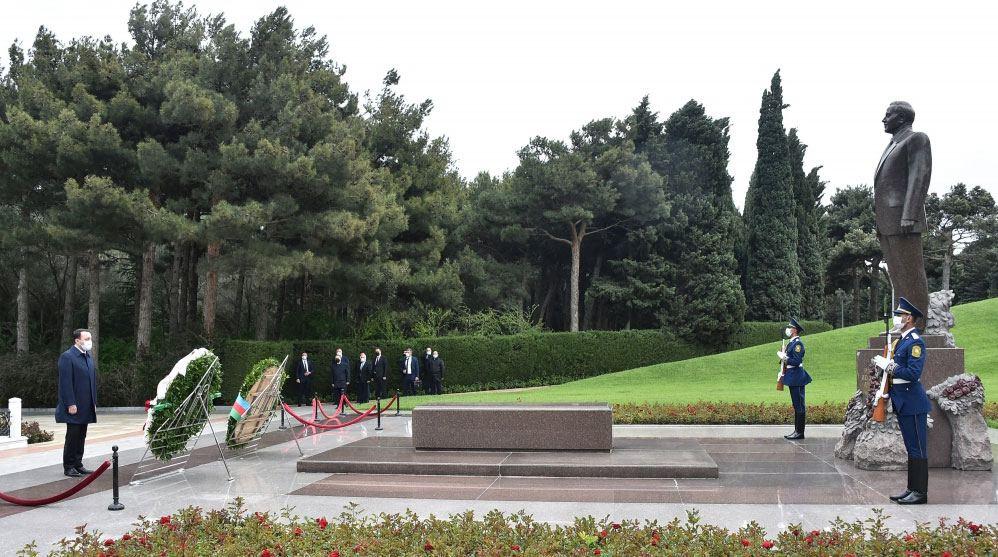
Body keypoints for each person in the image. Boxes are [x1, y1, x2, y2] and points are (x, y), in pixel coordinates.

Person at [874, 101, 932, 329]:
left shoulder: (916, 139)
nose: (884, 119)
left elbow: (919, 177)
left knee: (910, 272)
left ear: (902, 118)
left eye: (888, 115)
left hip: (903, 219)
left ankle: (916, 324)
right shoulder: (893, 143)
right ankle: (904, 321)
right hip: (887, 220)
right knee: (897, 275)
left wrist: (910, 214)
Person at [878, 296, 931, 505]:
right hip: (902, 400)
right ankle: (912, 488)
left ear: (909, 318)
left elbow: (913, 373)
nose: (897, 318)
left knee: (918, 448)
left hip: (913, 401)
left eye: (900, 315)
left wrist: (889, 366)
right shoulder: (902, 340)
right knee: (911, 448)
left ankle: (921, 492)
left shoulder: (916, 341)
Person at [55, 329, 97, 477]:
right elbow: (65, 383)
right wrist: (70, 403)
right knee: (72, 436)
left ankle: (78, 464)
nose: (89, 341)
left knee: (81, 436)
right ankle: (69, 466)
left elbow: (91, 382)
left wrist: (94, 402)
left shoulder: (87, 357)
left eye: (90, 338)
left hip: (86, 405)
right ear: (77, 340)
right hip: (73, 406)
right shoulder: (68, 357)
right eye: (86, 338)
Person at [777, 318, 811, 440]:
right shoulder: (791, 343)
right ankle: (797, 431)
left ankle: (800, 432)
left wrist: (784, 357)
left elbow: (796, 361)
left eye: (790, 327)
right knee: (796, 404)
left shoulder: (797, 344)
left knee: (799, 405)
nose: (788, 329)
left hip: (797, 377)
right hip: (793, 376)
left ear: (795, 330)